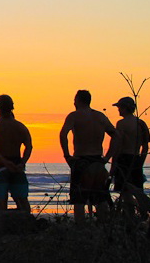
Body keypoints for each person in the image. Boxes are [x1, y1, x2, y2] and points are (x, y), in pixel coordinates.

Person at [60, 90, 121, 223]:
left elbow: (63, 133)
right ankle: (103, 227)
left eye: (75, 100)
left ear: (78, 100)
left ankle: (80, 229)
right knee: (101, 198)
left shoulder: (74, 116)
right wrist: (107, 157)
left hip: (81, 161)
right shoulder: (100, 117)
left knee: (79, 200)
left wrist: (67, 155)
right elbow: (116, 135)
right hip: (98, 162)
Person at [0, 95, 33, 212]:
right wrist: (22, 162)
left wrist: (5, 162)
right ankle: (26, 224)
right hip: (17, 164)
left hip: (1, 166)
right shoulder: (20, 126)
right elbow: (29, 147)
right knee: (22, 201)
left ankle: (2, 226)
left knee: (0, 203)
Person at [111, 97, 150, 192]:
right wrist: (140, 162)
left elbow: (118, 146)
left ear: (124, 108)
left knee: (124, 191)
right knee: (137, 191)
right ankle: (137, 206)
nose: (118, 110)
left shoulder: (121, 123)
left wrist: (113, 167)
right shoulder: (141, 123)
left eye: (119, 108)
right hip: (136, 159)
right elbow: (145, 147)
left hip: (123, 160)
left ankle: (130, 206)